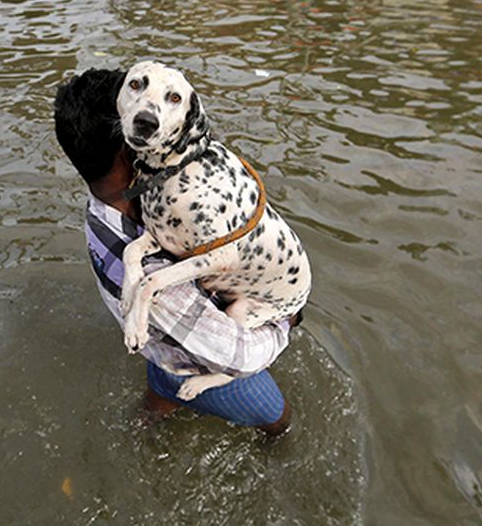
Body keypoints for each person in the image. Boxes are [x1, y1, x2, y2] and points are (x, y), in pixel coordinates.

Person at [53, 67, 298, 436]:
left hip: (158, 344)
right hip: (190, 357)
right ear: (132, 143)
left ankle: (142, 426)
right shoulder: (156, 283)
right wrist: (285, 322)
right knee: (280, 422)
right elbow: (240, 355)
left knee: (155, 405)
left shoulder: (103, 210)